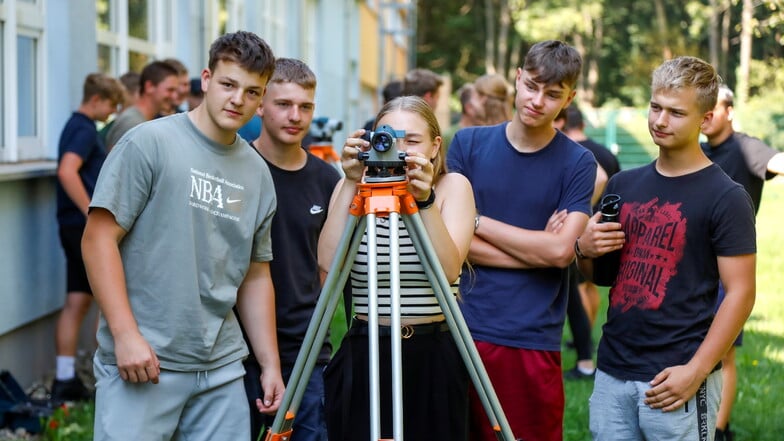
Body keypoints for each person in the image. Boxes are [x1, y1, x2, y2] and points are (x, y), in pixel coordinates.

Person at [81, 31, 284, 440]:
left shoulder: (257, 173)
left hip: (222, 366)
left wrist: (270, 364)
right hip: (145, 359)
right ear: (207, 79)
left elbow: (255, 273)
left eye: (251, 92)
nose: (237, 100)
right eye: (228, 84)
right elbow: (98, 239)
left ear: (261, 100)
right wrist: (125, 335)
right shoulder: (148, 143)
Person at [575, 56, 756, 441]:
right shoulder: (623, 184)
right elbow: (603, 277)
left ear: (705, 120)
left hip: (678, 376)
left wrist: (696, 371)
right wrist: (584, 249)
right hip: (613, 369)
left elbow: (741, 293)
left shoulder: (726, 196)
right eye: (655, 107)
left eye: (676, 113)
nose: (660, 121)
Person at [447, 40, 596, 441]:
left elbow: (563, 249)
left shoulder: (578, 162)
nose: (536, 100)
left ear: (570, 98)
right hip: (460, 326)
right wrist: (538, 252)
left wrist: (475, 220)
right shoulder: (468, 145)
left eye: (552, 94)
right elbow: (448, 242)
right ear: (517, 77)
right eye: (531, 86)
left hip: (531, 336)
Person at [319, 95, 476, 441]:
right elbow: (328, 264)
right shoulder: (352, 189)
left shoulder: (452, 188)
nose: (398, 148)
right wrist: (350, 182)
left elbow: (448, 269)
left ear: (435, 147)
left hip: (432, 351)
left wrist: (425, 203)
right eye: (388, 136)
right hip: (367, 347)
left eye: (413, 140)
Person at [242, 58, 341, 441]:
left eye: (305, 106)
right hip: (238, 350)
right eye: (283, 104)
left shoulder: (326, 179)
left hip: (307, 348)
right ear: (261, 104)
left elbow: (328, 267)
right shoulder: (235, 167)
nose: (294, 116)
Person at [701, 84, 784, 441]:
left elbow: (777, 161)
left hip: (728, 267)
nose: (706, 116)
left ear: (729, 111)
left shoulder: (746, 146)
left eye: (713, 108)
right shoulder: (699, 150)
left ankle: (720, 430)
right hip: (691, 265)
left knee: (725, 355)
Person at [52, 72, 125, 402]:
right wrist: (90, 213)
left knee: (78, 299)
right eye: (110, 106)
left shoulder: (74, 125)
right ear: (95, 100)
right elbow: (67, 170)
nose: (110, 114)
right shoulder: (82, 129)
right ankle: (104, 375)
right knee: (99, 298)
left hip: (71, 225)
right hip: (80, 226)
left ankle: (65, 379)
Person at [561, 103, 620, 380]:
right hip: (605, 228)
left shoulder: (571, 151)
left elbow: (600, 178)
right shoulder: (605, 152)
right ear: (582, 123)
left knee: (578, 289)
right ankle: (587, 340)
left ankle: (584, 351)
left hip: (584, 231)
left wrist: (581, 211)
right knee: (591, 287)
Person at [104, 60, 179, 150]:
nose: (175, 96)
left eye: (175, 91)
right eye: (170, 90)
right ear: (149, 87)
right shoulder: (132, 123)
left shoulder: (140, 121)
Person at [441, 83, 486, 149]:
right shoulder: (449, 136)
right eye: (479, 99)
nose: (484, 103)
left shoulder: (487, 133)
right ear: (469, 108)